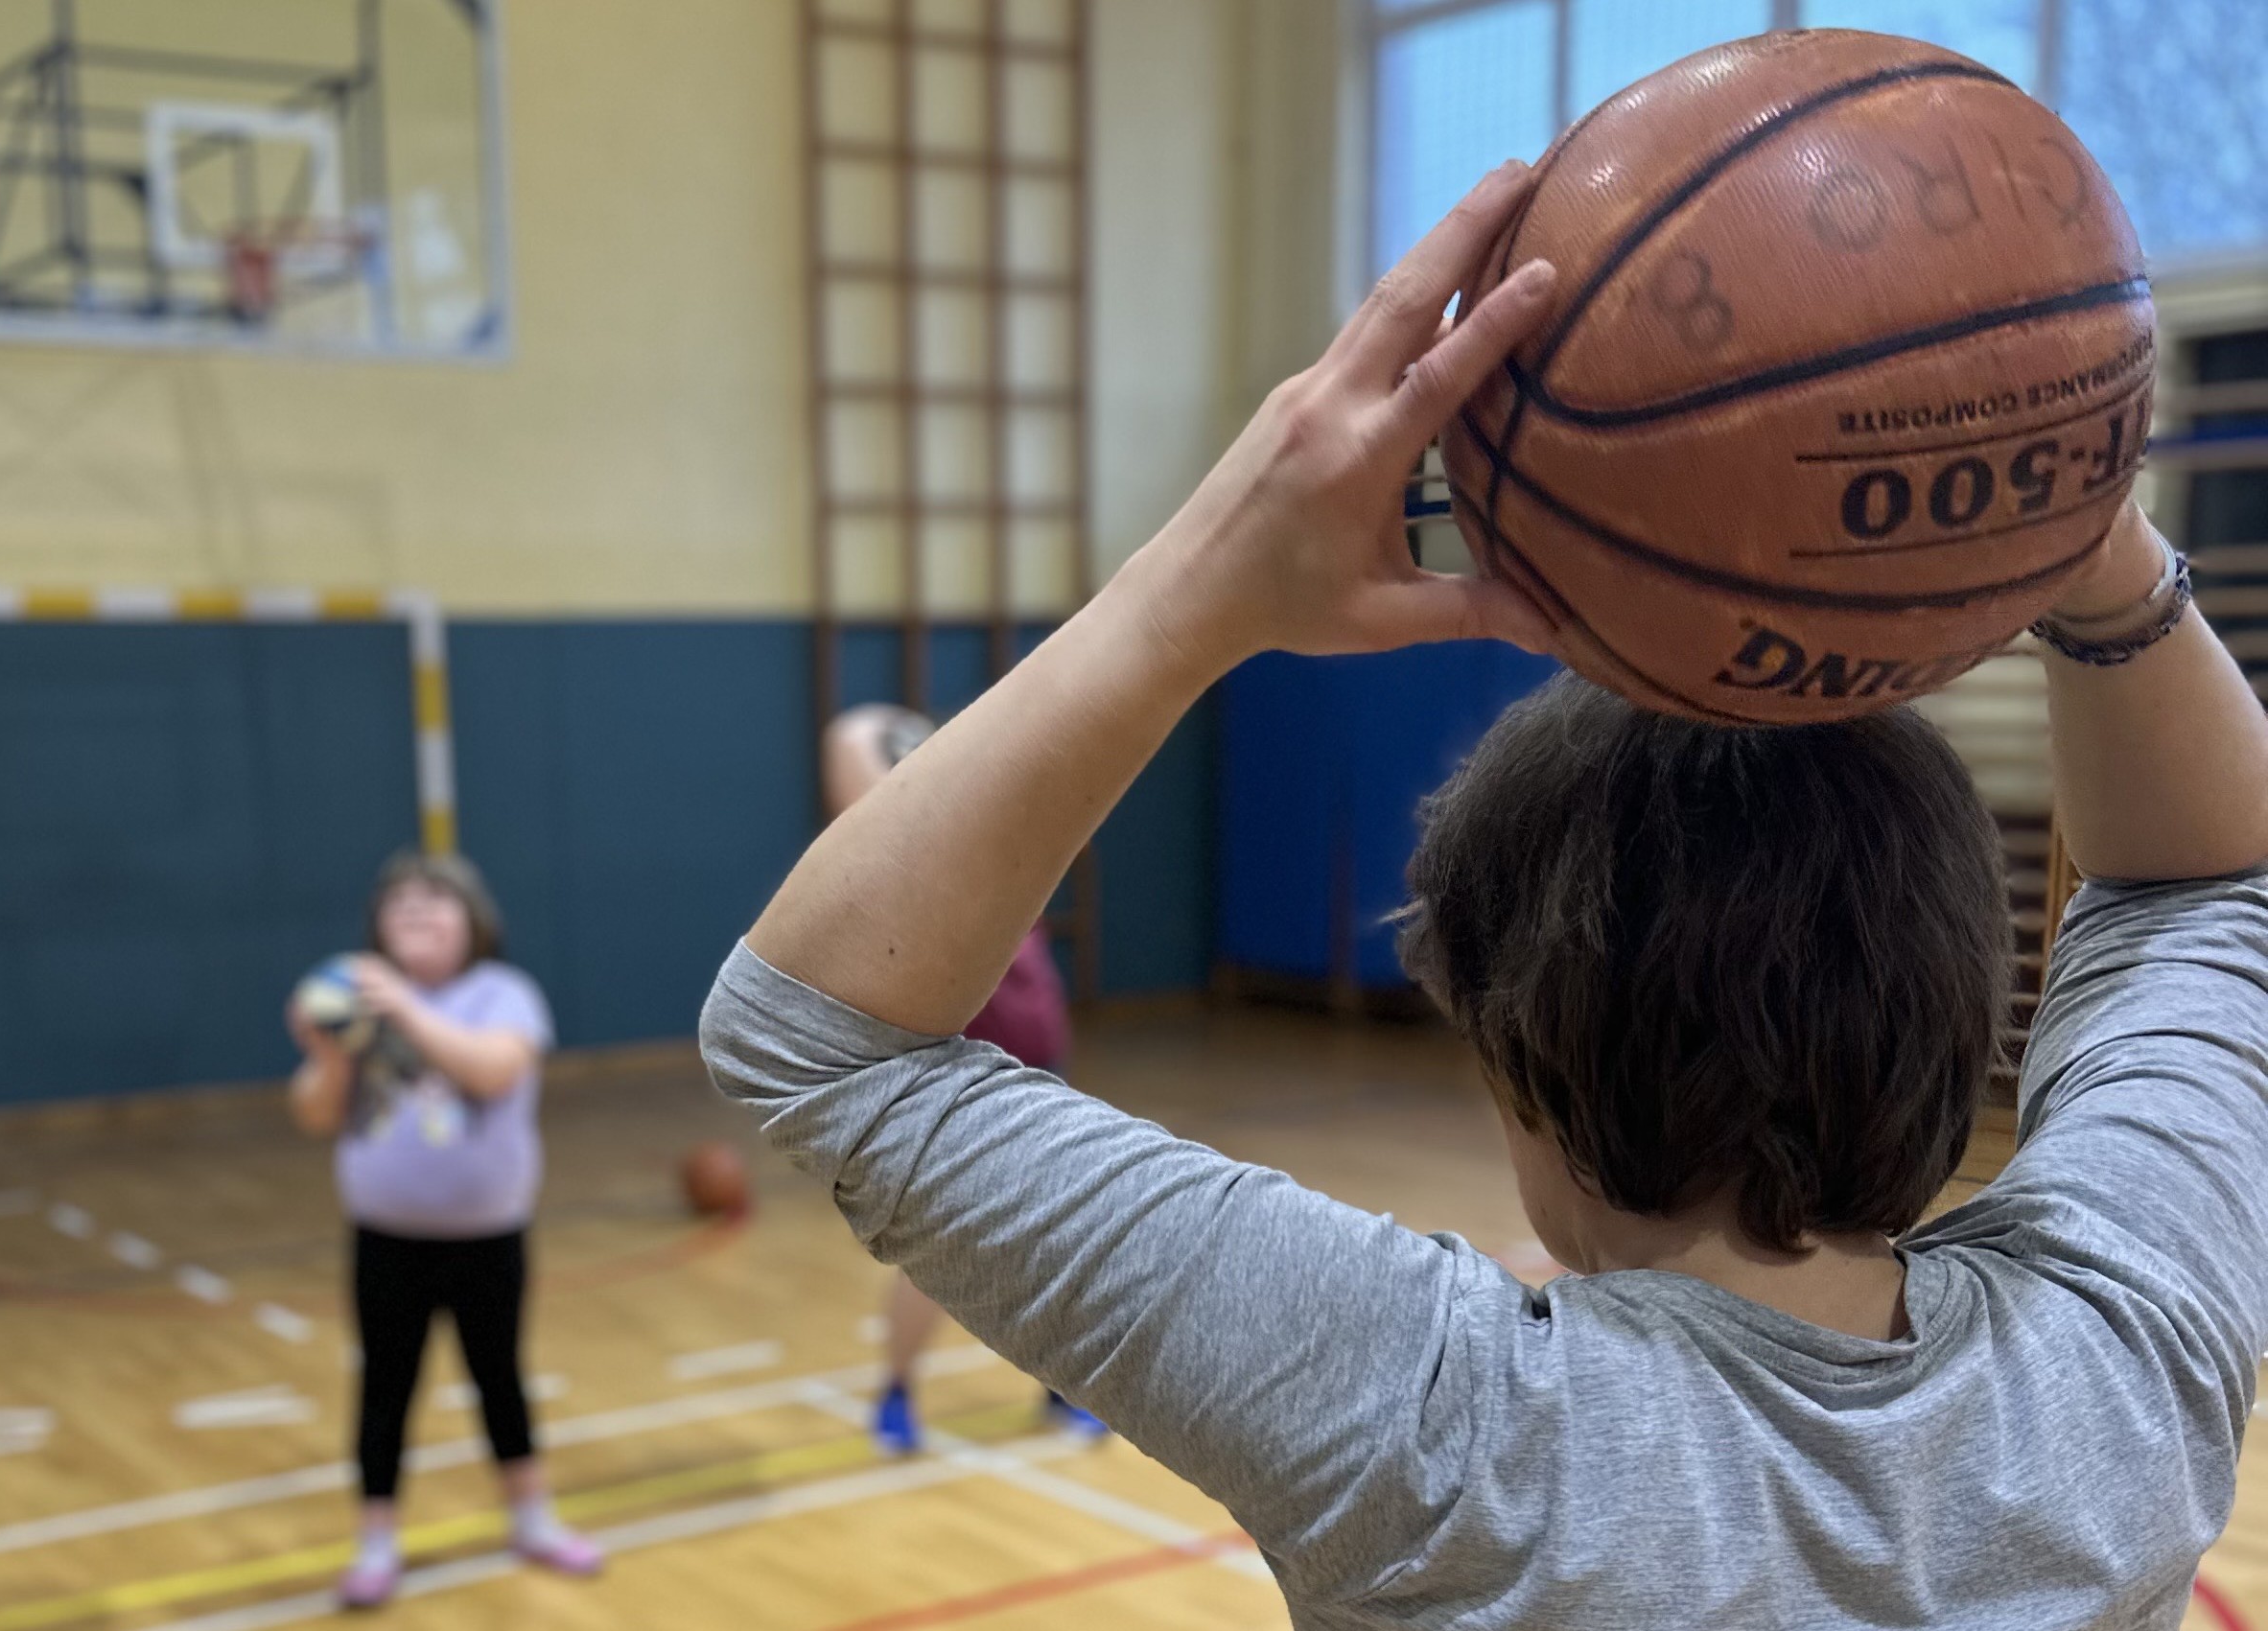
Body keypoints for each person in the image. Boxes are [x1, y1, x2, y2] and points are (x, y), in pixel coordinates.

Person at [700, 156, 2268, 1627]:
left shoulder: (1437, 1424)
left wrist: (1203, 578)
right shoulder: (2112, 1361)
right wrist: (2086, 532)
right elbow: (2208, 885)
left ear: (1522, 1071)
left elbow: (814, 1033)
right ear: (1967, 995)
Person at [287, 849, 601, 1609]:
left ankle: (531, 1515)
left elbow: (493, 1070)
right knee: (386, 1386)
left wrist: (400, 1006)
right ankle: (375, 1539)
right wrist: (329, 1053)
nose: (416, 913)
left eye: (435, 902)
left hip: (487, 1236)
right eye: (399, 905)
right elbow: (315, 1113)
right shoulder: (358, 1004)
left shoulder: (503, 993)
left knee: (499, 1376)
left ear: (474, 920)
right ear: (377, 928)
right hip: (386, 1238)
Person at [820, 704, 1108, 1454]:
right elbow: (851, 738)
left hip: (1039, 1058)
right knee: (938, 1254)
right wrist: (915, 740)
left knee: (1052, 1239)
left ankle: (1060, 1388)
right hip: (953, 1075)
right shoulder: (901, 850)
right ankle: (895, 1393)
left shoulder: (1005, 830)